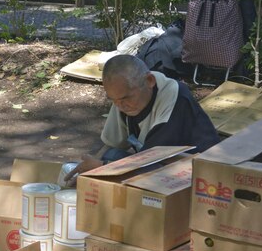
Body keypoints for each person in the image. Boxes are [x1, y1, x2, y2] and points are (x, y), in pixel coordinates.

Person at [66, 54, 220, 181]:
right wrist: (87, 171)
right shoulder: (123, 97)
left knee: (127, 172)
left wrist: (101, 166)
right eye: (114, 100)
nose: (121, 106)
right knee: (111, 155)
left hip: (196, 172)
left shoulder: (174, 99)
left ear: (149, 81)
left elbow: (150, 163)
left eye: (126, 98)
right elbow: (112, 145)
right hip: (154, 160)